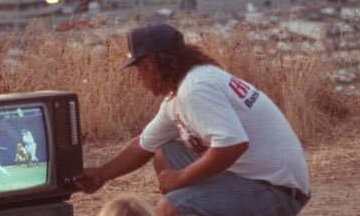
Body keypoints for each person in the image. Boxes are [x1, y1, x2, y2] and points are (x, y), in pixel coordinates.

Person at [75, 23, 311, 216]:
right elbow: (144, 144)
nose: (139, 78)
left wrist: (182, 178)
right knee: (164, 153)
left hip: (277, 191)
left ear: (151, 65)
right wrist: (101, 174)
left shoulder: (195, 89)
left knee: (170, 209)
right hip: (256, 177)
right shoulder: (185, 88)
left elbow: (233, 144)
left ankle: (189, 206)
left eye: (138, 69)